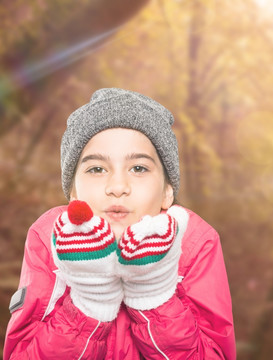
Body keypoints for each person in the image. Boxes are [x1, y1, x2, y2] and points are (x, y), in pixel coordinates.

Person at [3, 88, 236, 359]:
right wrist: (89, 303)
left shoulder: (194, 243)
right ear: (74, 192)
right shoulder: (48, 239)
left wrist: (153, 295)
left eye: (138, 168)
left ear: (167, 192)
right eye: (96, 169)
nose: (117, 186)